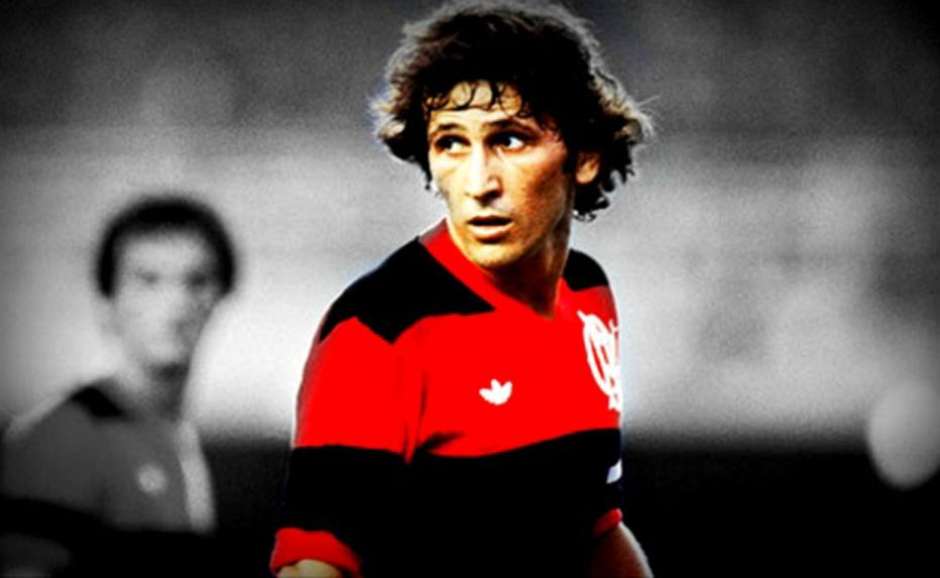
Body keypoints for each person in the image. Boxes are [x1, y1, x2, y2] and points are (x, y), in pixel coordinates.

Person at [271, 1, 653, 576]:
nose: (478, 183)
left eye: (510, 140)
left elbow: (594, 527)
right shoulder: (380, 330)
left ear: (585, 156)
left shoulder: (589, 295)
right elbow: (311, 565)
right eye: (451, 142)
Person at [1, 194, 238, 576]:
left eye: (196, 281)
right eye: (148, 280)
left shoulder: (178, 441)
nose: (176, 304)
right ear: (107, 302)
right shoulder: (60, 438)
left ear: (221, 297)